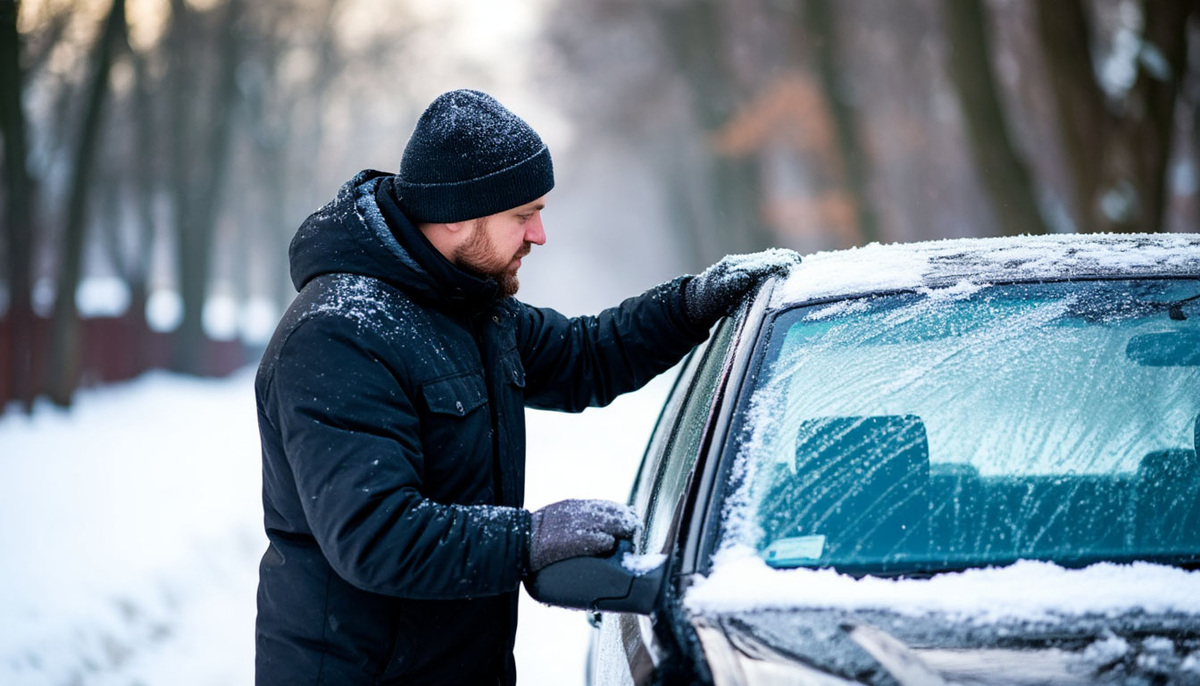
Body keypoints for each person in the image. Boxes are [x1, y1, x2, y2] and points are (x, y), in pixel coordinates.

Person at [253, 88, 799, 685]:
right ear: (457, 214)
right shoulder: (340, 333)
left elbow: (587, 356)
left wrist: (691, 304)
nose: (539, 234)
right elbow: (376, 534)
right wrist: (530, 539)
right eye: (523, 215)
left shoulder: (469, 307)